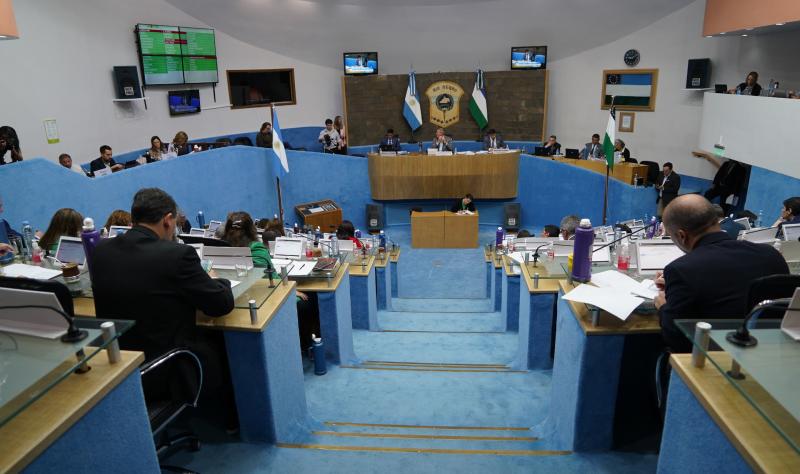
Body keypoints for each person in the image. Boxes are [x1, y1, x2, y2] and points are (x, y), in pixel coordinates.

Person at [91, 188, 236, 426]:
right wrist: (218, 280)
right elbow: (220, 305)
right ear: (168, 220)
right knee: (223, 341)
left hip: (120, 363)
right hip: (165, 367)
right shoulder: (177, 255)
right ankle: (230, 422)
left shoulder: (100, 251)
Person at [654, 195, 788, 353]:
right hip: (770, 354)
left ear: (682, 236)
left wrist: (663, 307)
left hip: (713, 358)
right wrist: (678, 287)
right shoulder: (771, 254)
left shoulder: (681, 269)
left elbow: (676, 338)